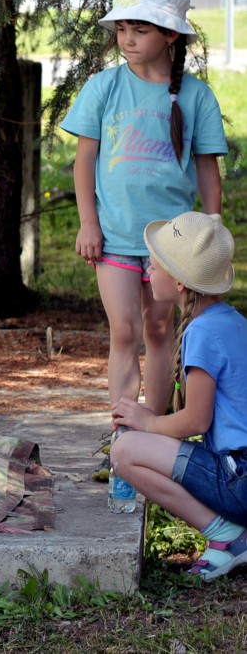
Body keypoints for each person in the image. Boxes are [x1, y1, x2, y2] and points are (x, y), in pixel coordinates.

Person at [62, 0, 225, 419]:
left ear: (170, 34)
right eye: (121, 29)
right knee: (124, 331)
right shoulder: (104, 87)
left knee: (158, 328)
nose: (127, 40)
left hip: (172, 245)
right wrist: (88, 223)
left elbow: (207, 169)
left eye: (140, 29)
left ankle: (152, 427)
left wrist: (212, 229)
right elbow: (84, 161)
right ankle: (122, 433)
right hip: (113, 235)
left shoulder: (197, 96)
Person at [110, 212, 247, 580]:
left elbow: (196, 420)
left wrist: (147, 422)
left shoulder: (201, 332)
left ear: (180, 283)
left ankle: (227, 537)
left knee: (124, 451)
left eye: (154, 266)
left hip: (239, 479)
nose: (148, 272)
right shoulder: (235, 321)